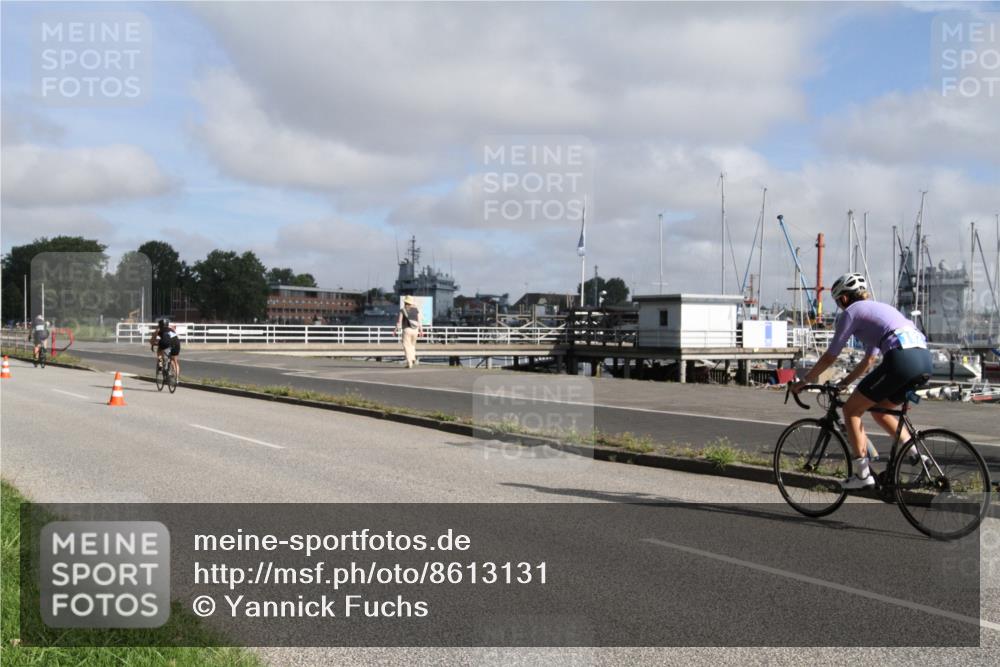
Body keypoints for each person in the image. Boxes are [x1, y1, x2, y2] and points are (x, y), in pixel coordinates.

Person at [791, 272, 932, 489]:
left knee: (850, 410)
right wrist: (845, 383)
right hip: (924, 359)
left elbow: (831, 355)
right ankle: (916, 456)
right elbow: (869, 360)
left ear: (845, 298)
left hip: (901, 358)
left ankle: (862, 474)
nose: (840, 306)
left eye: (838, 302)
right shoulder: (879, 310)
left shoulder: (851, 312)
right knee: (880, 411)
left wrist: (806, 380)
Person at [394, 296, 422, 368]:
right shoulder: (416, 310)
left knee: (407, 346)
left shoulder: (403, 310)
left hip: (407, 330)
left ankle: (409, 362)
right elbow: (419, 321)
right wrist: (421, 330)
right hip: (415, 330)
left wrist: (395, 329)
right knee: (412, 345)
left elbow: (399, 321)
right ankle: (413, 358)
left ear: (405, 302)